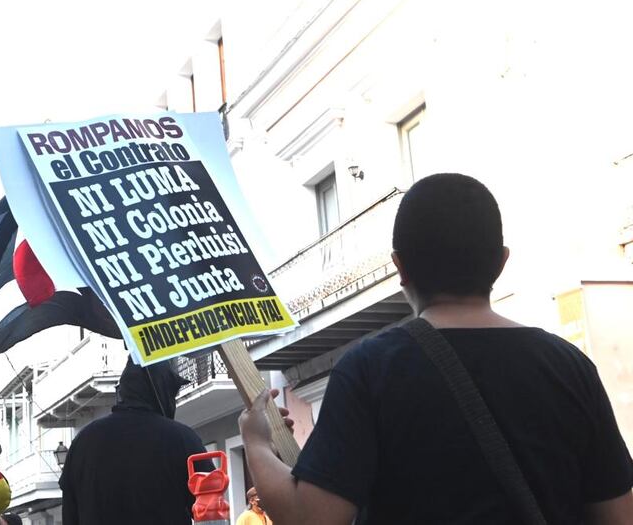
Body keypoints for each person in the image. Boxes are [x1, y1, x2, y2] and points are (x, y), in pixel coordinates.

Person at [239, 173, 633, 524]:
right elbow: (618, 515)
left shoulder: (368, 370)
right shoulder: (571, 367)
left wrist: (257, 443)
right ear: (500, 263)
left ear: (400, 267)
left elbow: (312, 519)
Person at [59, 357, 211, 525]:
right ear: (161, 390)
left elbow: (70, 515)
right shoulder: (184, 440)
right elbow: (210, 511)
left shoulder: (82, 443)